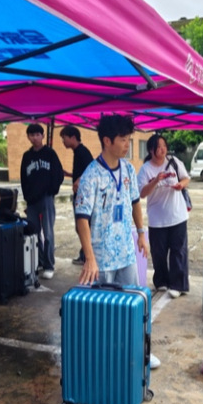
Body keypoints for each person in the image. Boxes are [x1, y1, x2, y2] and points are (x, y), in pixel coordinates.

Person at [75, 114, 160, 369]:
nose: (127, 144)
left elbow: (135, 202)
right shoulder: (91, 175)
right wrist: (90, 258)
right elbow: (81, 219)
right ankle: (104, 358)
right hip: (101, 261)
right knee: (103, 312)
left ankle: (139, 352)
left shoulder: (128, 169)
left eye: (128, 139)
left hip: (126, 254)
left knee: (134, 306)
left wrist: (141, 233)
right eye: (123, 140)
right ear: (107, 141)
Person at [137, 134, 190, 298]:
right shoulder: (146, 169)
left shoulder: (174, 162)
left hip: (177, 215)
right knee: (158, 252)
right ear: (151, 150)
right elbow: (141, 193)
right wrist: (155, 181)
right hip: (157, 219)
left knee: (178, 251)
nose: (162, 149)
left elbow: (186, 178)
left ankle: (178, 285)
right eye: (159, 147)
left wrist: (181, 185)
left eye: (164, 146)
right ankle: (161, 281)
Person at [20, 123, 64, 280]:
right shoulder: (26, 156)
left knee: (48, 233)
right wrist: (27, 198)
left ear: (43, 136)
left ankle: (49, 265)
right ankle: (38, 261)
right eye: (31, 135)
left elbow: (59, 174)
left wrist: (52, 191)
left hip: (46, 198)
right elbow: (23, 178)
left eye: (37, 134)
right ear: (28, 137)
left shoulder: (50, 153)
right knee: (33, 233)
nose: (34, 138)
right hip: (32, 201)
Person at [60, 124, 93, 265]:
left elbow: (91, 170)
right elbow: (82, 171)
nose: (63, 141)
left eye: (64, 138)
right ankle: (84, 254)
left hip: (84, 197)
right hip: (79, 196)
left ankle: (87, 256)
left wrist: (79, 180)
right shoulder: (77, 152)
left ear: (73, 137)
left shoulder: (82, 152)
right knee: (81, 227)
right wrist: (69, 174)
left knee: (83, 227)